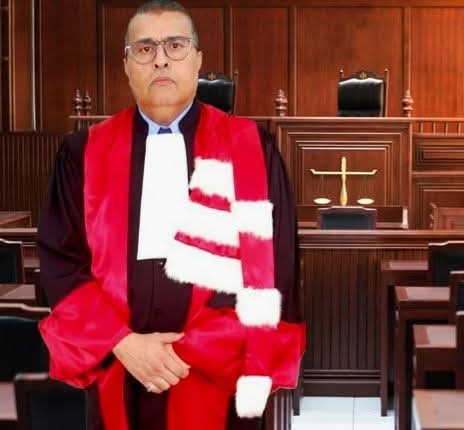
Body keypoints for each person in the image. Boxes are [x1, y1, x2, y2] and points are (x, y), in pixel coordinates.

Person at [37, 1, 304, 429]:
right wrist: (123, 343)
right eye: (144, 48)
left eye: (175, 45)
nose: (160, 59)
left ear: (197, 59)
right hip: (118, 367)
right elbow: (62, 262)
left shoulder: (251, 146)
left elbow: (273, 265)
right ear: (126, 66)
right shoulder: (82, 153)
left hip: (217, 373)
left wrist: (188, 350)